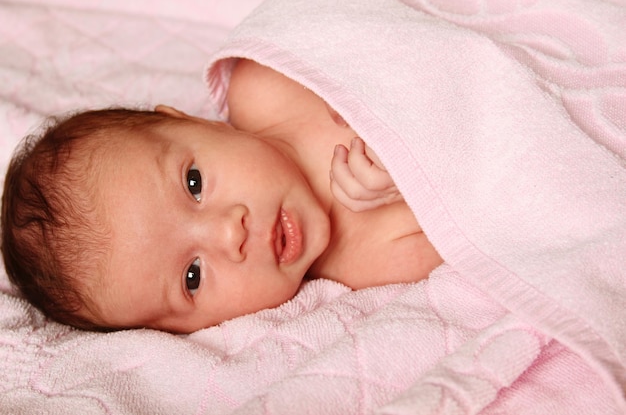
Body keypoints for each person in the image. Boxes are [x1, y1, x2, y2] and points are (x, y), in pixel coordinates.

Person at [1, 59, 443, 333]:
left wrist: (355, 76)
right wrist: (407, 169)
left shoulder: (265, 81)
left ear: (195, 122)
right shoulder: (379, 261)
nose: (230, 233)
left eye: (193, 183)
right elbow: (483, 202)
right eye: (192, 276)